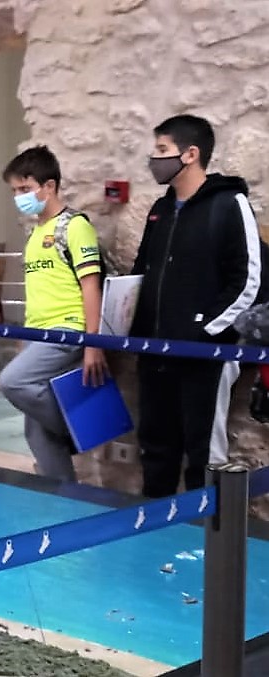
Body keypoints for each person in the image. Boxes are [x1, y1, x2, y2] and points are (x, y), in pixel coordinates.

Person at [130, 114, 261, 497]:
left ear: (190, 154)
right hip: (154, 350)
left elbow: (246, 280)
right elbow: (141, 273)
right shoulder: (160, 209)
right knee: (155, 447)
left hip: (205, 354)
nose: (154, 158)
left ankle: (206, 529)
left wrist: (204, 332)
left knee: (203, 453)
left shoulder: (229, 204)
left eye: (162, 150)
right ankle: (156, 525)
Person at [0, 147, 105, 482]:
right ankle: (63, 497)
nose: (19, 197)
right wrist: (24, 338)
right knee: (35, 432)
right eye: (15, 190)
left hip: (67, 330)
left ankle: (81, 426)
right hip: (36, 333)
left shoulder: (75, 226)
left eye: (25, 188)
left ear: (49, 186)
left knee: (12, 381)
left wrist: (93, 343)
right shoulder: (34, 234)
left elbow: (91, 285)